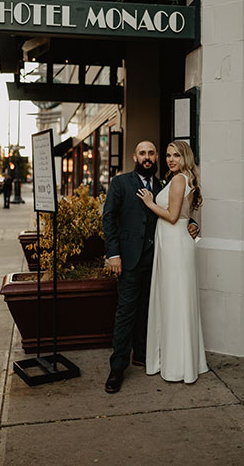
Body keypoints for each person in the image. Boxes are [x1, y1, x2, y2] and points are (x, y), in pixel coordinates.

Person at [102, 140, 198, 393]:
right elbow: (109, 217)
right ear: (135, 156)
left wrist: (194, 225)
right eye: (142, 153)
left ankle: (143, 356)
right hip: (130, 258)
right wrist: (113, 254)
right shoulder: (121, 182)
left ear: (156, 158)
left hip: (160, 258)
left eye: (152, 153)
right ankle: (117, 367)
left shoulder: (163, 184)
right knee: (126, 312)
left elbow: (181, 211)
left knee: (150, 308)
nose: (148, 157)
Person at [137, 140, 208, 383]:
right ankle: (183, 362)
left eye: (176, 155)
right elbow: (189, 215)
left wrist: (150, 203)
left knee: (175, 300)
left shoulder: (179, 179)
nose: (170, 159)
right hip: (173, 242)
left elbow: (173, 215)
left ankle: (178, 366)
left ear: (185, 157)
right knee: (177, 299)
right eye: (167, 155)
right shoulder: (182, 178)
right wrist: (193, 224)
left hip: (175, 243)